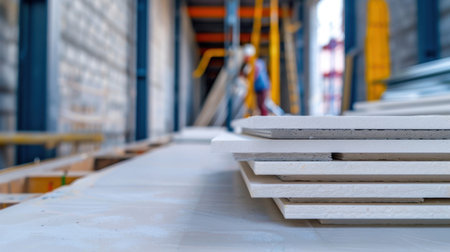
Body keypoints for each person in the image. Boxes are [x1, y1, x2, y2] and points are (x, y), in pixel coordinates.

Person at [242, 45, 270, 116]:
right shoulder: (252, 64)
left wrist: (249, 79)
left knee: (262, 105)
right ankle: (263, 118)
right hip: (258, 87)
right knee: (259, 105)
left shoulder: (257, 63)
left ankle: (265, 119)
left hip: (262, 86)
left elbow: (256, 73)